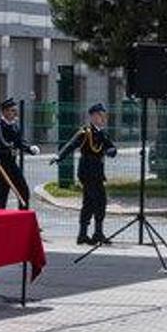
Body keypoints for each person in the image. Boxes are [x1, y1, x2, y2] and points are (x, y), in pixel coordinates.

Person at [56, 103, 117, 245]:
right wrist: (60, 156)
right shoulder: (85, 132)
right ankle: (97, 233)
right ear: (93, 116)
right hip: (87, 172)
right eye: (101, 115)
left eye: (104, 115)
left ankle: (83, 235)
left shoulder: (102, 133)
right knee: (99, 201)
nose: (103, 118)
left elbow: (111, 147)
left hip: (97, 172)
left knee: (89, 203)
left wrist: (112, 151)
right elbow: (71, 144)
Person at [0, 97, 37, 209]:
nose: (14, 113)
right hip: (1, 166)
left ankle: (22, 218)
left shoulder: (14, 126)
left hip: (12, 164)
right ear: (4, 111)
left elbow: (19, 142)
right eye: (12, 110)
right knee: (1, 196)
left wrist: (30, 148)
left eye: (15, 111)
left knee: (24, 191)